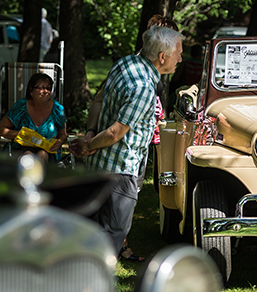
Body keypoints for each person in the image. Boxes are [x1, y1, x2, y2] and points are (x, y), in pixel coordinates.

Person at [70, 25, 183, 258]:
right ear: (162, 57)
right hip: (121, 170)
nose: (181, 59)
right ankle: (98, 291)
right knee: (114, 233)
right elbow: (114, 133)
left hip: (98, 165)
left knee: (95, 231)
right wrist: (88, 145)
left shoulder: (125, 63)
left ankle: (83, 286)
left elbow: (98, 101)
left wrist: (90, 133)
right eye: (178, 53)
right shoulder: (143, 87)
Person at [0, 72, 66, 161]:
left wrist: (59, 141)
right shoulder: (21, 106)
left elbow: (63, 134)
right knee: (28, 155)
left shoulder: (57, 109)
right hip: (21, 148)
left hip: (48, 151)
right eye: (40, 88)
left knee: (42, 154)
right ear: (31, 91)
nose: (45, 92)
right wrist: (21, 135)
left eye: (48, 88)